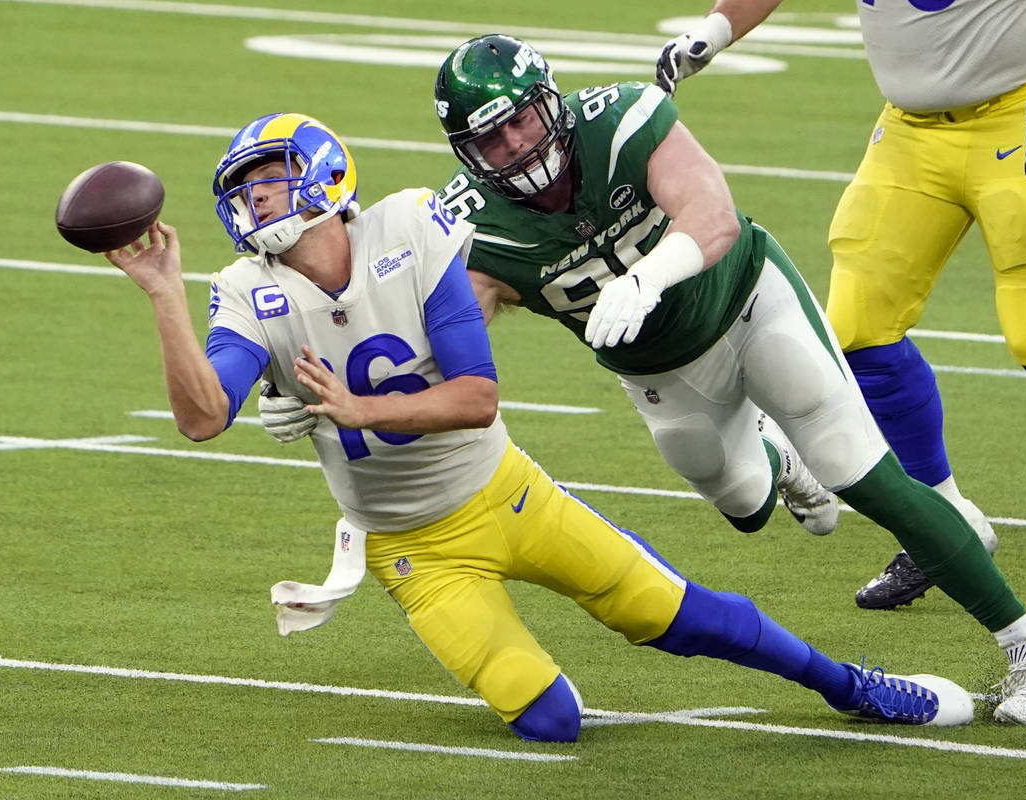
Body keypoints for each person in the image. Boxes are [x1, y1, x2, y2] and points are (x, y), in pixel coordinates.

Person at [100, 111, 978, 741]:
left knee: (673, 614)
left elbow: (475, 397)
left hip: (504, 490)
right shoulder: (244, 292)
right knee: (553, 722)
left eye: (269, 180)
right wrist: (164, 296)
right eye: (245, 189)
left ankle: (852, 686)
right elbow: (203, 417)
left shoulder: (409, 227)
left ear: (327, 178)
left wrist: (359, 409)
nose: (254, 200)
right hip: (414, 553)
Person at [362, 33, 1026, 724]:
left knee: (864, 475)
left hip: (748, 300)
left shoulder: (621, 120)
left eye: (522, 118)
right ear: (466, 153)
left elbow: (713, 215)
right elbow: (443, 346)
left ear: (552, 101)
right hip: (660, 371)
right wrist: (347, 396)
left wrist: (649, 276)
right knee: (744, 506)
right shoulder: (470, 229)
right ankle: (778, 457)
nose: (516, 144)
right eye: (491, 138)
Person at [655, 0, 1026, 623]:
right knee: (857, 329)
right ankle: (943, 520)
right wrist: (715, 30)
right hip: (909, 133)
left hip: (1024, 112)